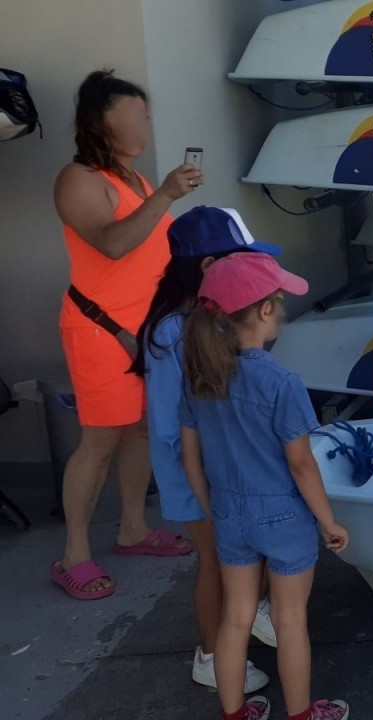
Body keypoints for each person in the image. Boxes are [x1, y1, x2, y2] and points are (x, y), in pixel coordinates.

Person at [50, 69, 203, 600]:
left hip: (146, 332)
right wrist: (166, 195)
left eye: (146, 115)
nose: (144, 124)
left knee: (140, 429)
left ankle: (133, 528)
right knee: (99, 442)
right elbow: (112, 244)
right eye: (134, 114)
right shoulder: (79, 179)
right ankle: (73, 555)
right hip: (100, 330)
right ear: (100, 121)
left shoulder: (135, 180)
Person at [179, 253, 351, 720]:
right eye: (280, 299)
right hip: (283, 515)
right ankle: (301, 714)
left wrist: (212, 510)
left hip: (228, 511)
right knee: (290, 620)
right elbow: (301, 463)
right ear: (265, 309)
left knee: (235, 618)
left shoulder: (199, 378)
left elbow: (190, 457)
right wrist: (328, 521)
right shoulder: (281, 382)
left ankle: (234, 713)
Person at [132, 207, 283, 693]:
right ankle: (213, 658)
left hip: (224, 467)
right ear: (208, 267)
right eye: (242, 261)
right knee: (218, 561)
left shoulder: (207, 318)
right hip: (195, 474)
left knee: (242, 552)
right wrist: (206, 484)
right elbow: (168, 425)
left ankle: (247, 618)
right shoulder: (170, 332)